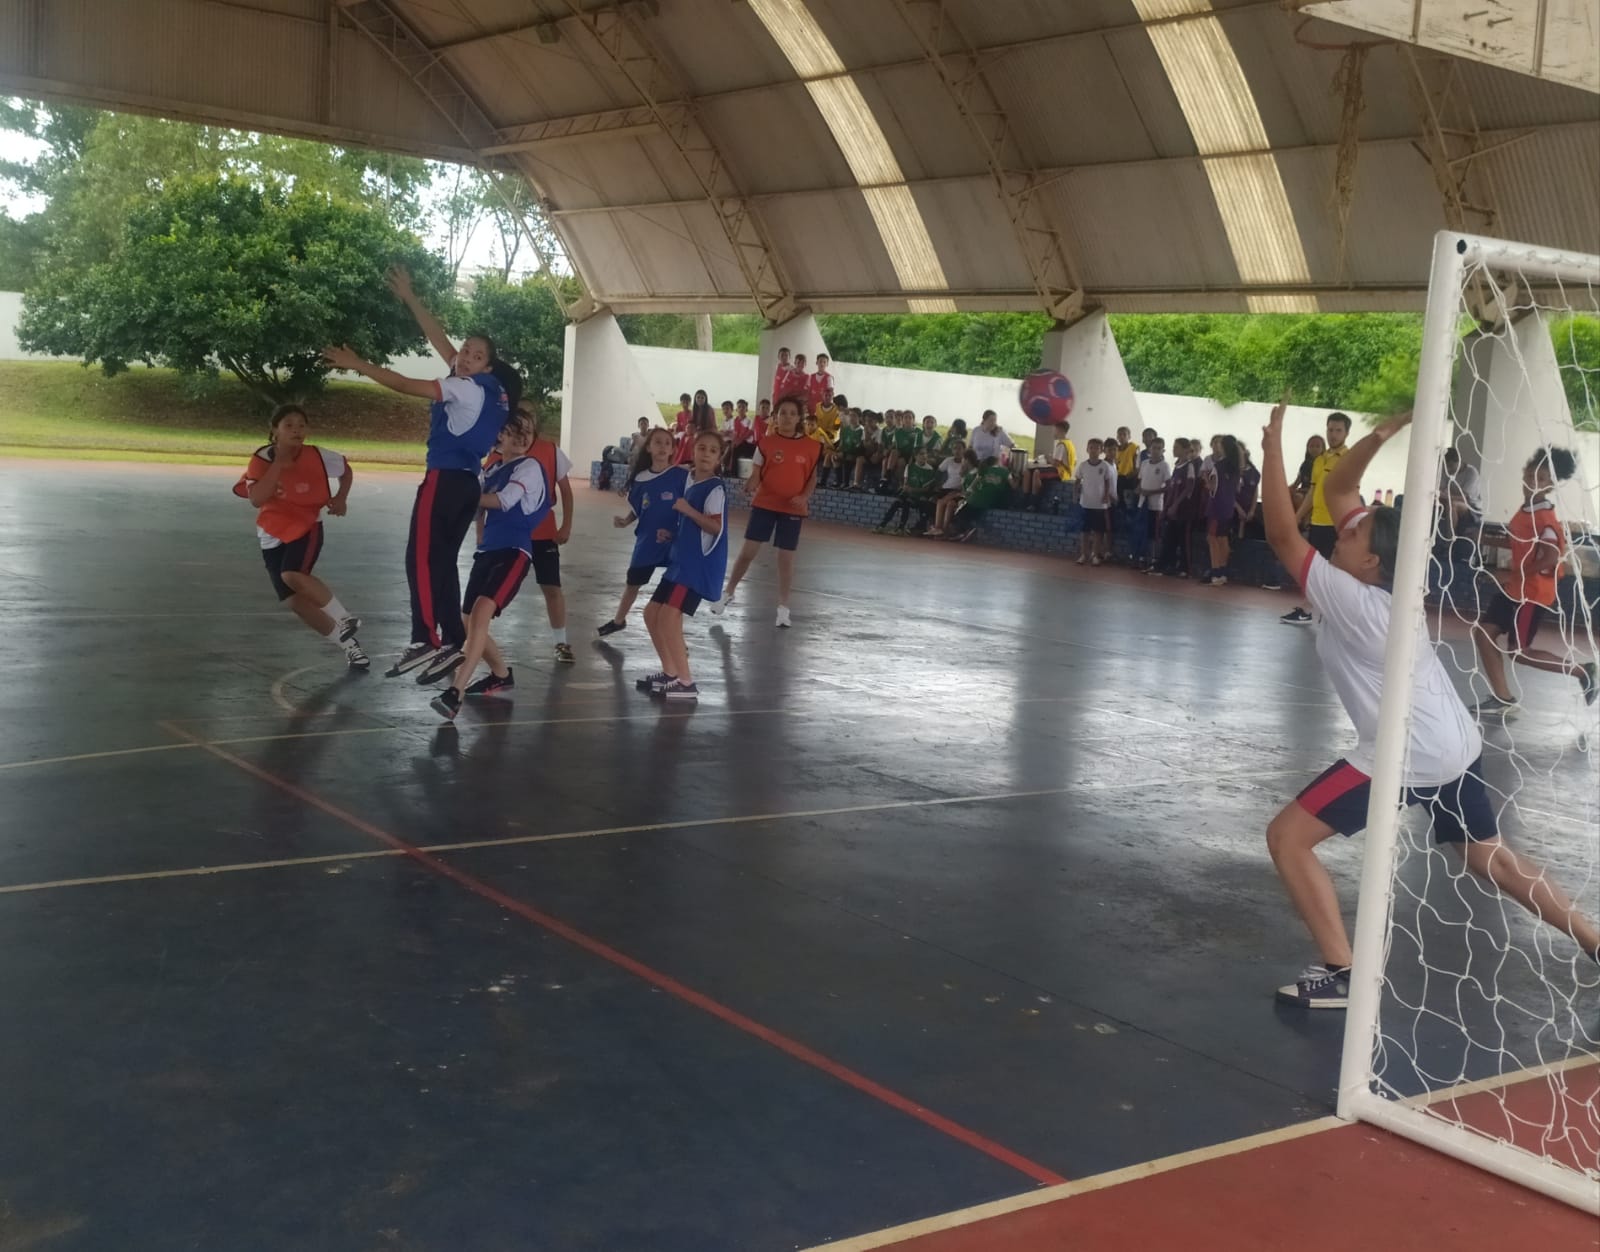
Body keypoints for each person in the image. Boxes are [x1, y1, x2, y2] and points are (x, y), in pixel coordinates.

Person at [1256, 401, 1600, 1008]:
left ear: (1371, 561)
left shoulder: (1352, 600)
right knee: (1487, 856)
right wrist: (1387, 428)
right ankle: (1595, 938)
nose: (1345, 528)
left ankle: (1342, 973)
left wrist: (1273, 449)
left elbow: (1282, 533)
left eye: (1354, 532)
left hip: (1405, 752)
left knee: (1287, 838)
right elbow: (1339, 487)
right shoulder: (1382, 581)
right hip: (1456, 742)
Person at [322, 267, 516, 685]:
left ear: (487, 366)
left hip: (444, 481)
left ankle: (424, 637)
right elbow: (439, 339)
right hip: (467, 484)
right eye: (465, 350)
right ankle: (451, 640)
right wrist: (410, 297)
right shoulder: (486, 389)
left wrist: (358, 364)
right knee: (442, 562)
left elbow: (404, 384)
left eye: (474, 355)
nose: (463, 356)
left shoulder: (466, 388)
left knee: (419, 559)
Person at [429, 413, 552, 721]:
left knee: (482, 611)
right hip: (487, 552)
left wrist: (464, 496)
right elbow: (476, 510)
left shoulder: (530, 467)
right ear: (500, 437)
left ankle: (455, 691)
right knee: (468, 618)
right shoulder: (493, 468)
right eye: (514, 431)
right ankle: (500, 673)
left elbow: (504, 501)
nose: (522, 436)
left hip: (513, 551)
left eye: (527, 432)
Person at [233, 404, 369, 670]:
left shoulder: (317, 455)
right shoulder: (261, 459)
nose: (297, 430)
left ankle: (345, 618)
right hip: (272, 531)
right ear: (275, 431)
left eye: (301, 425)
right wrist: (278, 466)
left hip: (307, 524)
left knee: (291, 573)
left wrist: (341, 497)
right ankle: (350, 646)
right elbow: (256, 499)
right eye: (289, 425)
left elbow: (346, 470)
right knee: (294, 600)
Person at [1471, 446, 1597, 713]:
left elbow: (1551, 556)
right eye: (1530, 474)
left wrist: (1509, 574)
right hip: (1516, 588)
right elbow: (1520, 542)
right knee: (1484, 634)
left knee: (1519, 653)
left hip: (1532, 592)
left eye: (1540, 479)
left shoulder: (1545, 517)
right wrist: (1485, 539)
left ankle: (1582, 672)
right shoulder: (1527, 509)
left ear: (1551, 485)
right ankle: (1503, 698)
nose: (1532, 482)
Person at [711, 394, 822, 628]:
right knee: (747, 552)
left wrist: (803, 497)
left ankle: (783, 607)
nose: (787, 418)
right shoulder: (766, 443)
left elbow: (812, 479)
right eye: (783, 413)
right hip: (765, 505)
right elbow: (756, 474)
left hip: (792, 509)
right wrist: (751, 484)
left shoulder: (812, 447)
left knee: (785, 558)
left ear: (799, 418)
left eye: (792, 414)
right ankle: (728, 592)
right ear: (775, 416)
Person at [637, 431, 729, 702]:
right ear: (692, 449)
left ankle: (686, 682)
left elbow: (714, 526)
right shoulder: (690, 481)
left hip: (695, 567)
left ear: (719, 457)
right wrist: (673, 534)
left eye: (713, 450)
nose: (705, 454)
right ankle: (670, 672)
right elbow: (693, 528)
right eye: (701, 448)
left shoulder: (715, 488)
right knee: (651, 613)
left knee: (668, 617)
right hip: (680, 561)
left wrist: (686, 510)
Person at [600, 427, 688, 638]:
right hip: (647, 542)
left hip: (674, 541)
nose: (662, 447)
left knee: (676, 587)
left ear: (672, 450)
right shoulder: (640, 479)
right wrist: (626, 520)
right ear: (648, 447)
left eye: (667, 443)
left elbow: (690, 507)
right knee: (633, 583)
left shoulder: (681, 476)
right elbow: (640, 508)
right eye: (657, 442)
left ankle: (678, 635)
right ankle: (619, 620)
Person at [1282, 413, 1351, 625]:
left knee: (1336, 570)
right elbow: (1313, 492)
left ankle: (1318, 610)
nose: (1333, 434)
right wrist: (1296, 517)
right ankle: (1309, 608)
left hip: (1337, 522)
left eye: (1338, 430)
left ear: (1346, 433)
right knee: (1314, 569)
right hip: (1318, 521)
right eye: (1330, 429)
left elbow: (1349, 490)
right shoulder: (1319, 460)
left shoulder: (1348, 458)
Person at [522, 408, 577, 663]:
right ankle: (474, 637)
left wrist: (566, 525)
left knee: (552, 587)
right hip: (511, 533)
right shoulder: (500, 451)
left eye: (528, 417)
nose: (523, 423)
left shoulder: (550, 451)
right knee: (493, 589)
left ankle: (561, 642)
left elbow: (565, 491)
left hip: (544, 531)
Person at [1202, 434, 1242, 586]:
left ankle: (1216, 573)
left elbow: (1212, 487)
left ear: (1223, 447)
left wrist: (1205, 479)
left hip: (1216, 506)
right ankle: (1223, 572)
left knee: (1212, 539)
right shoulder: (1236, 466)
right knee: (1222, 539)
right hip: (1228, 506)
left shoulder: (1219, 466)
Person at [876, 447, 939, 534]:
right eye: (921, 454)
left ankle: (901, 528)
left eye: (925, 454)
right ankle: (882, 525)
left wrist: (912, 489)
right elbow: (906, 482)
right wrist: (905, 487)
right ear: (915, 456)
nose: (924, 456)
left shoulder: (929, 470)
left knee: (906, 502)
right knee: (897, 502)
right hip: (908, 494)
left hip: (919, 497)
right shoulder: (909, 467)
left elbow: (926, 489)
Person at [1074, 438, 1116, 566]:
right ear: (1087, 449)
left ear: (1101, 450)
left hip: (1099, 505)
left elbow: (1108, 482)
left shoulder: (1105, 466)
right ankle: (1083, 554)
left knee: (1098, 532)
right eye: (1091, 447)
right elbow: (1077, 480)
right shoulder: (1083, 465)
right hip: (1085, 503)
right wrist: (1075, 494)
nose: (1093, 450)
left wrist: (1105, 496)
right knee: (1085, 531)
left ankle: (1095, 555)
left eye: (1097, 448)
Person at [1135, 436, 1171, 568]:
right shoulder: (1144, 464)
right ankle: (1142, 557)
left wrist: (1151, 492)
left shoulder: (1165, 466)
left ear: (1163, 450)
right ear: (1149, 448)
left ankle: (1154, 558)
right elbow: (1140, 481)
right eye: (1153, 448)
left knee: (1154, 533)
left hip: (1156, 505)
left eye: (1158, 448)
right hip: (1142, 503)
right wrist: (1139, 489)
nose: (1155, 451)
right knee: (1142, 531)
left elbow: (1168, 486)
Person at [927, 439, 967, 537]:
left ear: (964, 450)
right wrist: (938, 483)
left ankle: (942, 529)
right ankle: (938, 528)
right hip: (946, 488)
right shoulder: (948, 460)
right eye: (954, 449)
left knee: (950, 503)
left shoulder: (966, 463)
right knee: (935, 501)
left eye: (959, 449)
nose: (957, 451)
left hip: (958, 491)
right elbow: (939, 471)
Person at [723, 400, 757, 474]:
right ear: (736, 409)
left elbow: (749, 433)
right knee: (730, 446)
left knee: (735, 448)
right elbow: (734, 433)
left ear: (746, 409)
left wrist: (738, 441)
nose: (741, 409)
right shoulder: (734, 421)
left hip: (747, 444)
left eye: (743, 407)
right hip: (737, 442)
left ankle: (732, 471)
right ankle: (726, 468)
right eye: (739, 407)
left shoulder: (749, 421)